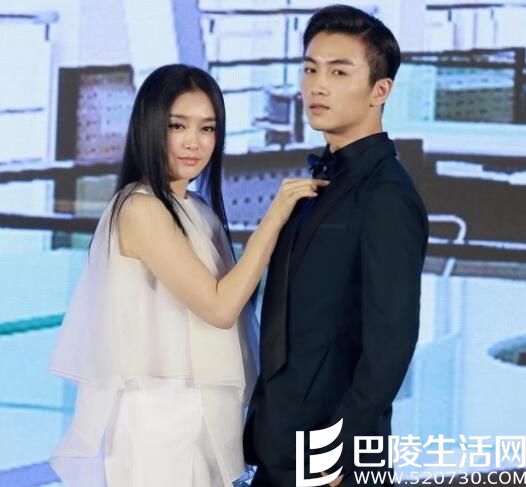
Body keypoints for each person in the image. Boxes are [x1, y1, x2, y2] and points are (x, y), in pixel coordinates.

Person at [48, 64, 328, 487]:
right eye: (177, 125)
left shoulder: (197, 209)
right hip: (157, 417)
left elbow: (235, 301)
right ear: (148, 126)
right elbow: (219, 307)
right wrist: (274, 217)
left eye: (207, 128)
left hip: (200, 409)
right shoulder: (140, 208)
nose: (194, 142)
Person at [243, 5, 429, 486]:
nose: (317, 86)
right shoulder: (318, 182)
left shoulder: (387, 193)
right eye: (310, 69)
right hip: (280, 441)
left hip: (332, 460)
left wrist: (339, 451)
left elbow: (391, 341)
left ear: (380, 90)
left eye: (339, 72)